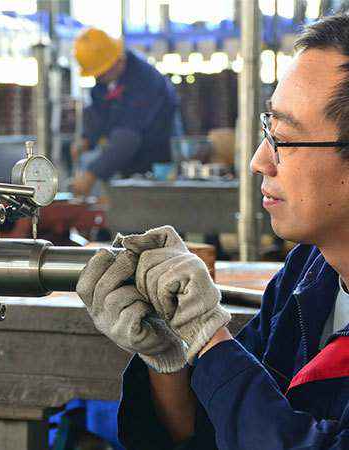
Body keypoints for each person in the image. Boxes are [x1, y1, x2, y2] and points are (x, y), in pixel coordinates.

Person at [77, 14, 349, 450]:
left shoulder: (145, 85)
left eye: (283, 138)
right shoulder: (309, 272)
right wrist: (169, 359)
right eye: (268, 130)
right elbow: (220, 426)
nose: (259, 161)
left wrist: (210, 337)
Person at [70, 28, 179, 197]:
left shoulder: (145, 81)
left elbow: (128, 137)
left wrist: (91, 175)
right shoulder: (104, 82)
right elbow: (99, 113)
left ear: (117, 61)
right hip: (128, 167)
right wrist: (86, 140)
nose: (98, 78)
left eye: (100, 74)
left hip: (158, 168)